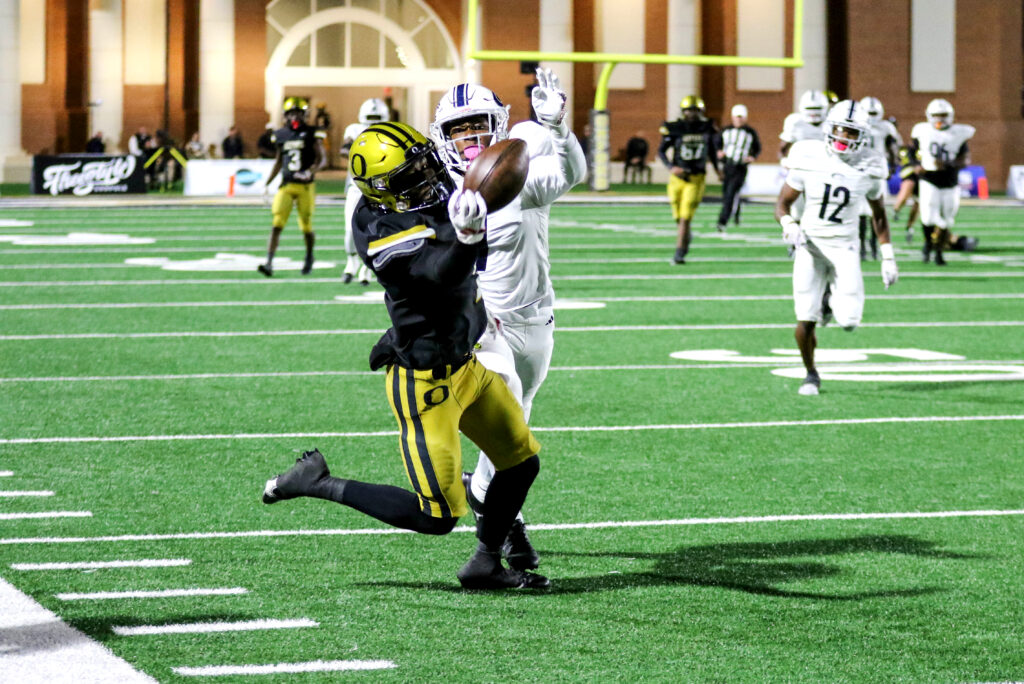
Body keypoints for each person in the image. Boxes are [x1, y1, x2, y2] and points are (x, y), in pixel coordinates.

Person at [262, 121, 549, 590]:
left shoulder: (430, 194)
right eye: (409, 175)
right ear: (381, 191)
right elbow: (438, 274)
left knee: (521, 461)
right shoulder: (380, 228)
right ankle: (317, 482)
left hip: (468, 366)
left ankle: (485, 562)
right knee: (436, 516)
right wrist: (469, 236)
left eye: (425, 164)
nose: (426, 179)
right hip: (424, 386)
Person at [429, 69, 586, 573]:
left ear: (498, 126)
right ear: (444, 136)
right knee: (511, 424)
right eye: (459, 128)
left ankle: (488, 503)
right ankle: (501, 530)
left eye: (479, 125)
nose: (471, 137)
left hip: (537, 315)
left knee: (520, 420)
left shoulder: (516, 175)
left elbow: (571, 174)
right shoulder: (436, 190)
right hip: (483, 324)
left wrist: (558, 127)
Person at [775, 100, 899, 396]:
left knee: (850, 322)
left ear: (863, 137)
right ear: (828, 129)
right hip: (811, 246)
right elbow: (782, 204)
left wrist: (888, 256)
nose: (844, 138)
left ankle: (829, 302)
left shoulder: (870, 167)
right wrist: (789, 225)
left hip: (845, 248)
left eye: (852, 133)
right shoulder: (807, 155)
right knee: (805, 317)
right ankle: (810, 374)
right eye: (840, 130)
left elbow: (879, 215)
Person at [257, 97, 326, 277]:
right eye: (291, 113)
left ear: (305, 115)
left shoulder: (312, 133)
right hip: (286, 185)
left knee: (306, 226)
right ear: (285, 115)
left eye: (298, 113)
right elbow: (279, 160)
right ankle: (269, 263)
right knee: (276, 224)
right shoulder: (280, 134)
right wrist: (267, 183)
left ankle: (309, 256)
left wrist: (311, 171)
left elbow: (322, 159)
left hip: (305, 186)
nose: (294, 116)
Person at [910, 98, 975, 266]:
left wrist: (948, 164)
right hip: (929, 179)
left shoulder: (958, 133)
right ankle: (928, 244)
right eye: (936, 115)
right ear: (929, 115)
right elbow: (911, 152)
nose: (940, 119)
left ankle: (938, 251)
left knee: (947, 219)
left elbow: (965, 159)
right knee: (928, 217)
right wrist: (916, 165)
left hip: (950, 180)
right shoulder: (922, 130)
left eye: (943, 115)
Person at [657, 95, 719, 264]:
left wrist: (717, 169)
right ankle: (686, 237)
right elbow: (661, 151)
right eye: (689, 110)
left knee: (685, 218)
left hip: (695, 178)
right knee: (678, 217)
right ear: (683, 111)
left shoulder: (707, 128)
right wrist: (671, 167)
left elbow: (712, 151)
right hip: (676, 179)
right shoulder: (675, 128)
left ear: (701, 111)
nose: (692, 114)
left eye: (695, 110)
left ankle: (679, 252)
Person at [340, 97, 391, 284]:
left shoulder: (389, 131)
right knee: (349, 230)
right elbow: (344, 149)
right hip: (356, 186)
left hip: (380, 188)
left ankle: (366, 268)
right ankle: (351, 262)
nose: (374, 121)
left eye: (378, 117)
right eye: (371, 117)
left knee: (376, 229)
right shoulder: (354, 130)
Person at [855, 96, 904, 260]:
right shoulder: (855, 124)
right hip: (859, 171)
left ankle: (874, 245)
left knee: (876, 210)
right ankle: (861, 245)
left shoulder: (886, 127)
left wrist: (892, 166)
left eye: (873, 112)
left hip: (877, 171)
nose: (871, 115)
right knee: (860, 212)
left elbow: (892, 149)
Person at [715, 104, 761, 231]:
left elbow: (757, 148)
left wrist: (752, 156)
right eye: (737, 117)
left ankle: (722, 221)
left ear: (745, 118)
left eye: (741, 117)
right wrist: (719, 152)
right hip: (728, 165)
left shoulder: (750, 132)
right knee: (727, 194)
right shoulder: (725, 130)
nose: (739, 120)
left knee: (731, 193)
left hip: (740, 167)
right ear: (733, 117)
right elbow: (717, 143)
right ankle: (735, 213)